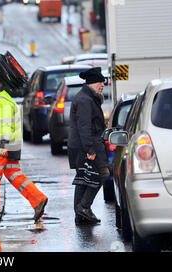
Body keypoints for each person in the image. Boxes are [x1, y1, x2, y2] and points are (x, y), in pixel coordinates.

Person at [0, 74, 48, 223]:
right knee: (13, 173)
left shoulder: (0, 102)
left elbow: (4, 124)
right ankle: (38, 199)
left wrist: (3, 145)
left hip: (3, 143)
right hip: (11, 143)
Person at [67, 67, 110, 225]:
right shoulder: (85, 100)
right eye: (100, 82)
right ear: (92, 83)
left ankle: (81, 214)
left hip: (82, 145)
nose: (102, 85)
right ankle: (83, 207)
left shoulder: (87, 97)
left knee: (83, 178)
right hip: (87, 145)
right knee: (102, 174)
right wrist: (90, 150)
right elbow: (84, 127)